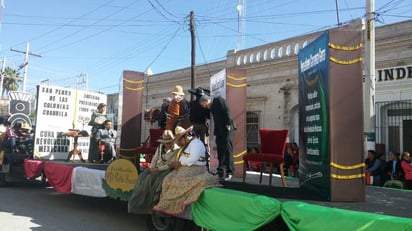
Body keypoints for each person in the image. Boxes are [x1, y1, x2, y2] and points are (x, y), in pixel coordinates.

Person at [152, 126, 219, 215]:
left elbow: (193, 158)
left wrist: (179, 163)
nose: (179, 143)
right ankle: (165, 203)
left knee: (176, 181)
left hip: (195, 169)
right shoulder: (186, 145)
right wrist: (176, 163)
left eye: (179, 140)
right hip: (184, 168)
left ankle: (169, 204)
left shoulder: (196, 143)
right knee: (167, 179)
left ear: (184, 137)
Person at [128, 130, 179, 214]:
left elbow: (170, 165)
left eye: (170, 143)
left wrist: (157, 169)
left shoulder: (176, 150)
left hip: (165, 170)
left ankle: (148, 204)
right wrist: (151, 168)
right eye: (166, 143)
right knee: (142, 177)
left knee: (150, 179)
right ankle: (136, 202)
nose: (168, 145)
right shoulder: (160, 147)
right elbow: (155, 158)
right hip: (155, 168)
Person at [199, 94, 236, 181]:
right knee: (220, 151)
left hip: (227, 128)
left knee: (227, 150)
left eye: (203, 104)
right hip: (219, 130)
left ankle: (230, 172)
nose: (203, 106)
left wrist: (228, 124)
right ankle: (221, 172)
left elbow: (226, 111)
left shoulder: (218, 100)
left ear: (206, 100)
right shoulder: (211, 106)